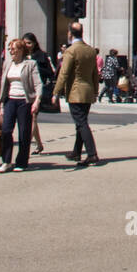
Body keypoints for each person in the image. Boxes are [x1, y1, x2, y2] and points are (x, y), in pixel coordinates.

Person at [53, 21, 100, 166]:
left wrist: (56, 92)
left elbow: (64, 73)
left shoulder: (71, 51)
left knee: (81, 123)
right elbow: (95, 74)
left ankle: (92, 154)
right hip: (88, 91)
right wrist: (96, 91)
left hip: (75, 91)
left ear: (70, 34)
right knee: (81, 122)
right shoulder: (90, 50)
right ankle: (76, 152)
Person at [0, 39, 42, 173]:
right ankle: (6, 161)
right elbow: (3, 84)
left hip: (24, 101)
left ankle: (21, 162)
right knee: (6, 130)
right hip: (10, 100)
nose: (11, 51)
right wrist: (1, 104)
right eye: (10, 49)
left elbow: (38, 84)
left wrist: (37, 101)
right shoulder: (7, 63)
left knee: (24, 132)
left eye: (14, 49)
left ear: (21, 50)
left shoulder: (30, 64)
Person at [24, 33, 54, 155]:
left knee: (32, 118)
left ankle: (25, 147)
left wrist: (34, 66)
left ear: (34, 43)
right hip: (24, 89)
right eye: (25, 43)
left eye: (29, 43)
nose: (27, 45)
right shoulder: (22, 55)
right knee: (32, 119)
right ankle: (39, 144)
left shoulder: (41, 56)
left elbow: (50, 73)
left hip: (37, 90)